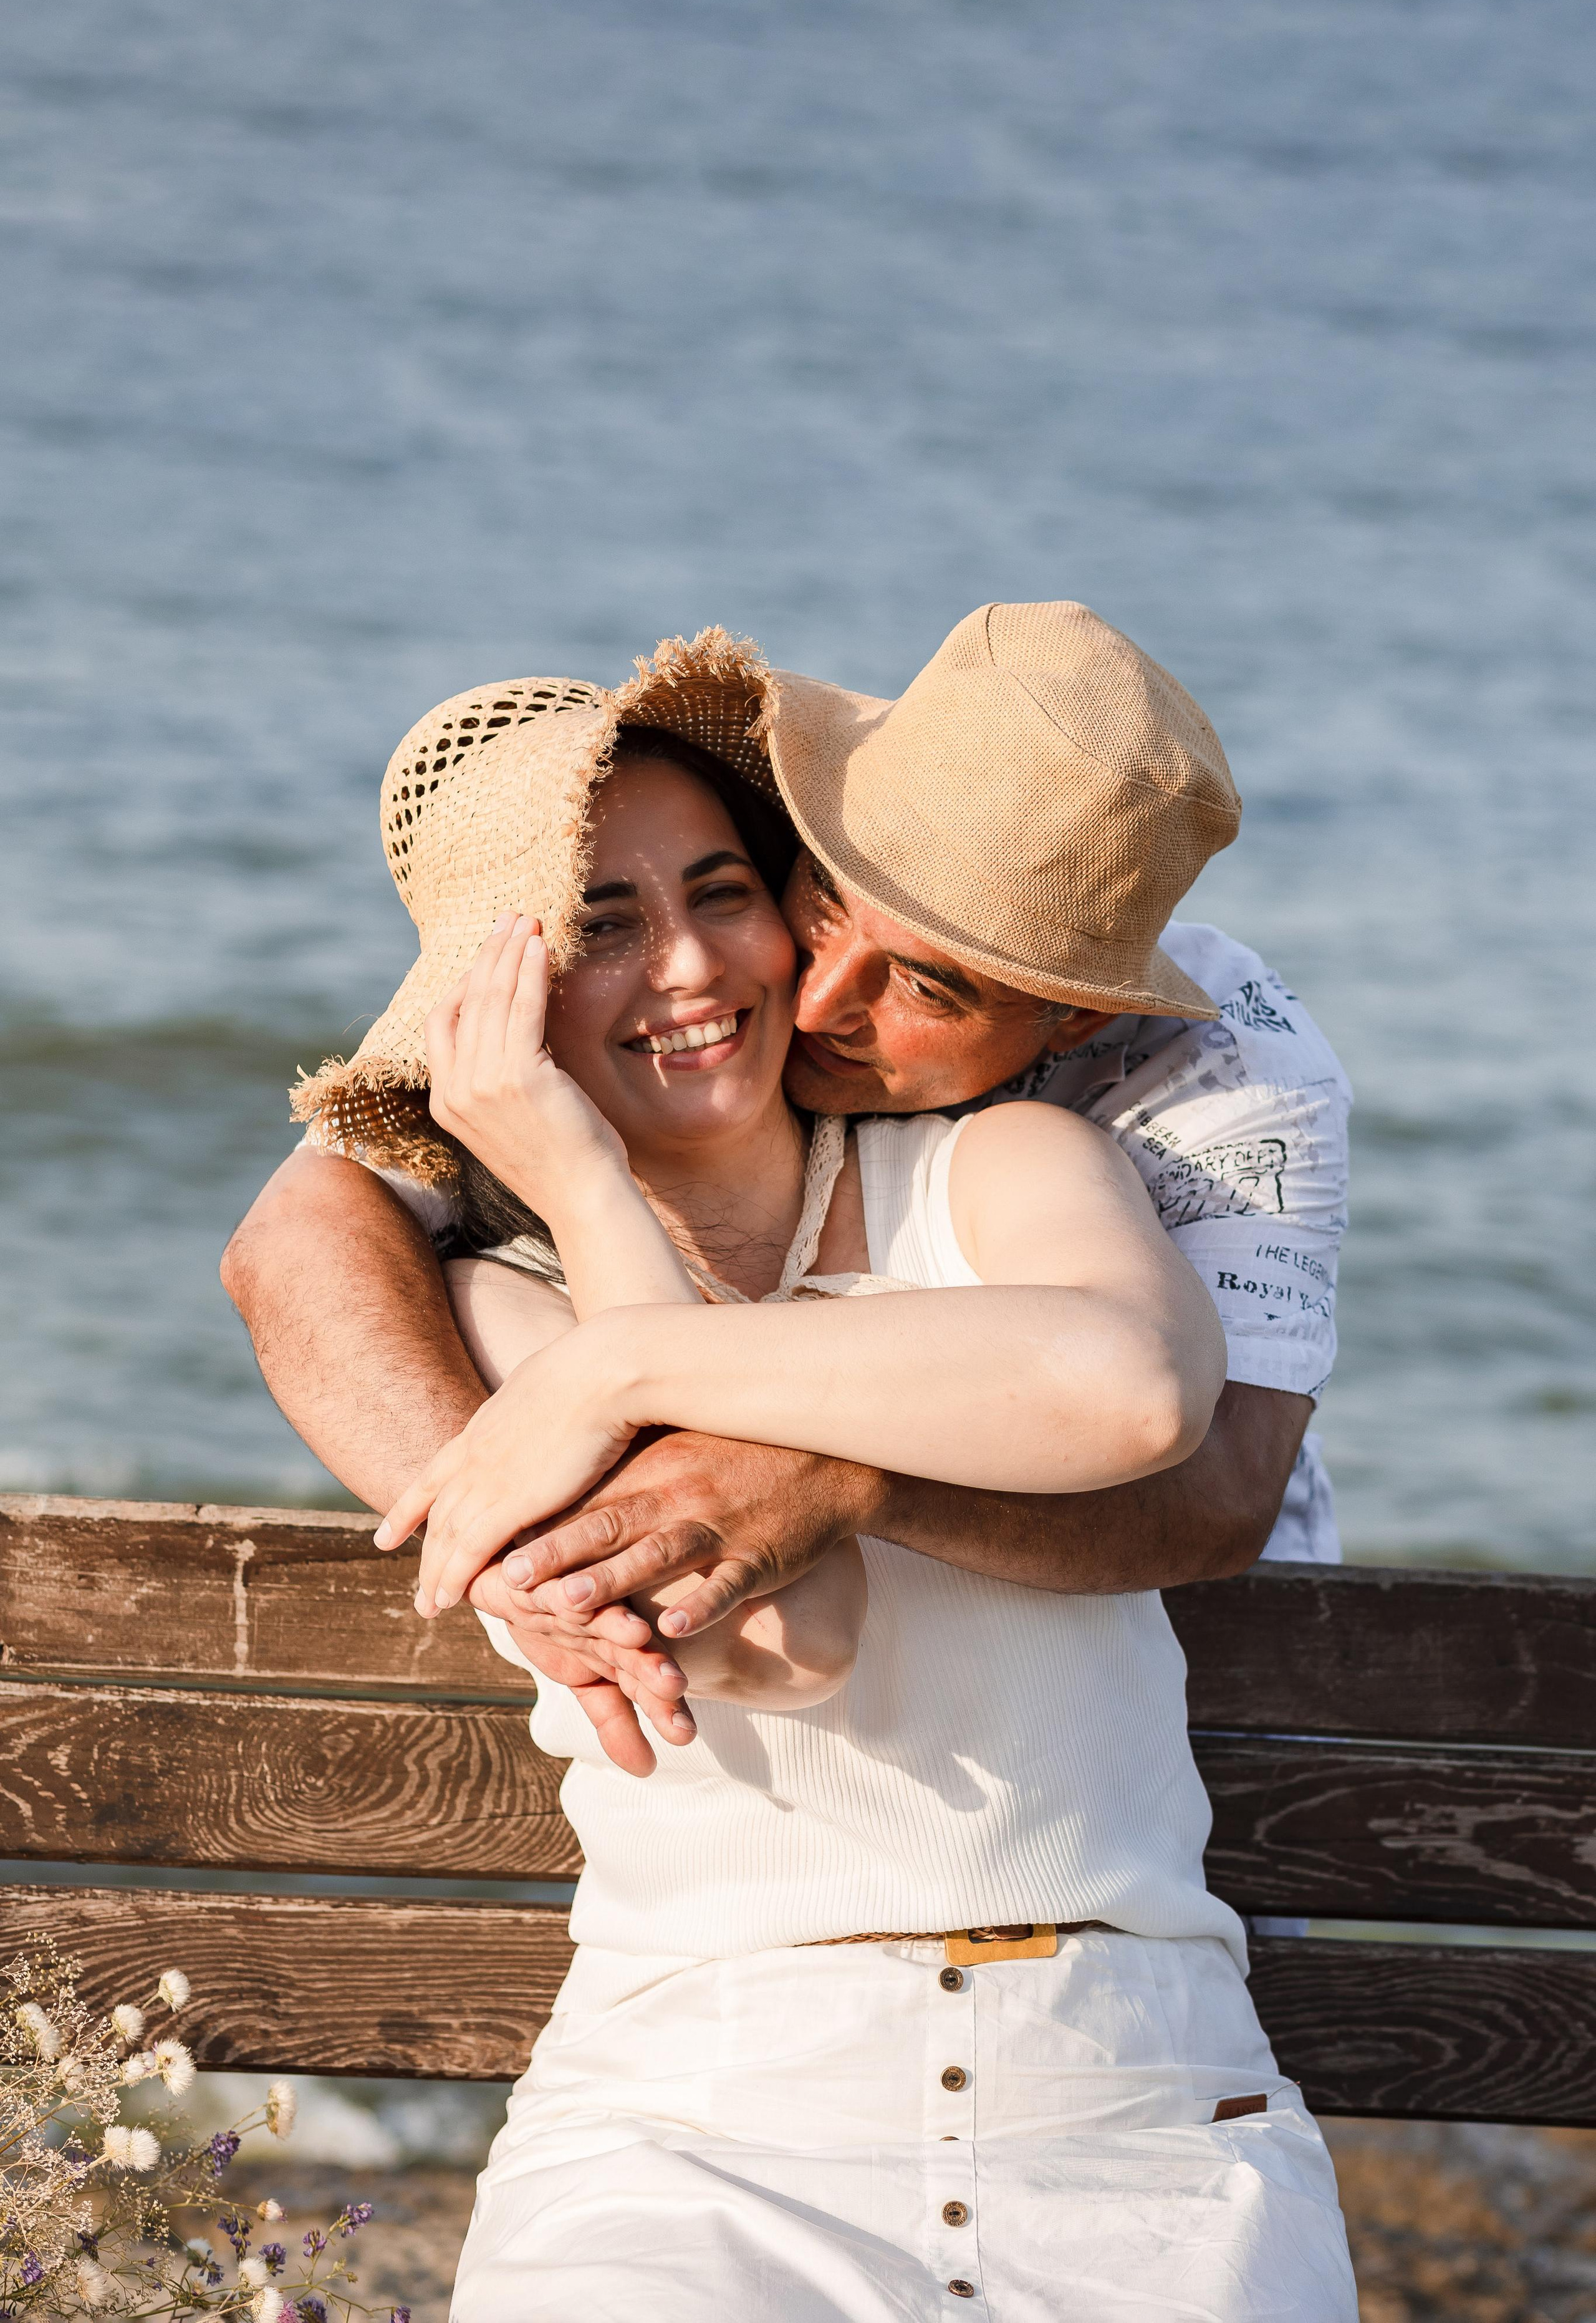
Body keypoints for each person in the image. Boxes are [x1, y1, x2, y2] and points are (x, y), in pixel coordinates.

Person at [233, 606, 1358, 2317]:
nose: (706, 974)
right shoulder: (495, 1310)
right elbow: (784, 1640)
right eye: (603, 925)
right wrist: (597, 1211)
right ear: (502, 996)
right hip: (699, 2118)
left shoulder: (1012, 1161)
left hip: (1138, 2101)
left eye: (721, 893)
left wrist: (637, 1358)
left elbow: (1141, 1400)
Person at [226, 604, 1350, 1775]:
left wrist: (784, 1451)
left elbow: (1213, 1485)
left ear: (1077, 1015)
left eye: (928, 985)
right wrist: (524, 1557)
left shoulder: (1215, 1067)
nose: (813, 1007)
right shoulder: (557, 1097)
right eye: (819, 905)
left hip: (1214, 1695)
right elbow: (302, 1239)